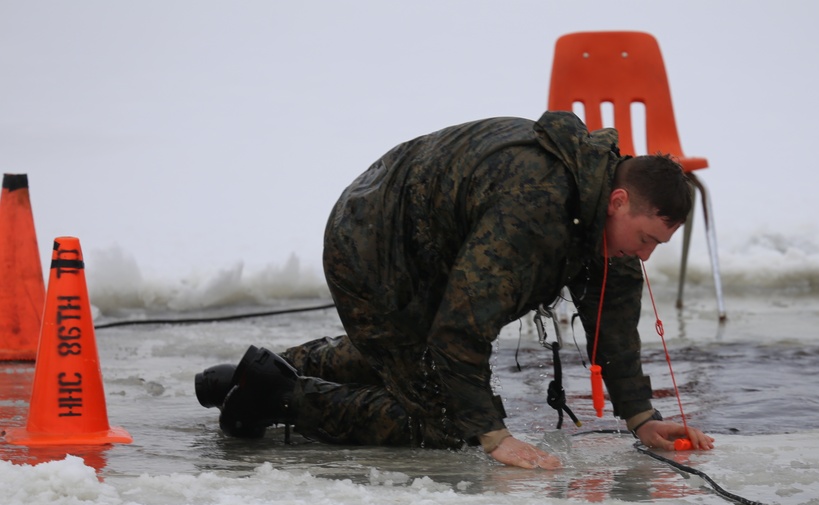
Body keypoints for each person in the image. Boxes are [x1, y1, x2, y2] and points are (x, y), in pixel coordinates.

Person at [195, 110, 714, 469]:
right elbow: (461, 330)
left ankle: (255, 371)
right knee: (447, 422)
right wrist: (492, 435)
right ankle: (278, 395)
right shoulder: (536, 207)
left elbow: (614, 322)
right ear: (620, 201)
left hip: (428, 242)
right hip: (374, 241)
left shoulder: (603, 216)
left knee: (418, 366)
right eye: (646, 239)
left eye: (657, 247)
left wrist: (642, 418)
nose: (645, 255)